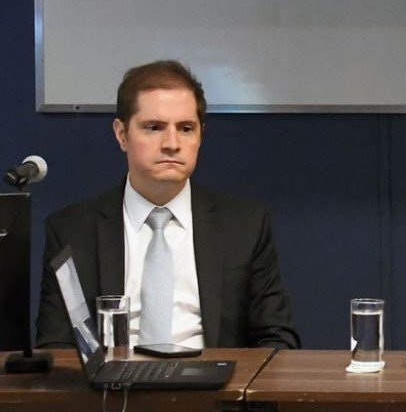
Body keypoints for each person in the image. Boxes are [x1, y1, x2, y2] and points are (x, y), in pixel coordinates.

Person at [35, 60, 300, 350]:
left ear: (200, 136)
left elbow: (276, 339)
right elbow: (56, 346)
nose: (172, 143)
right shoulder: (71, 230)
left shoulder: (245, 225)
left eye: (186, 128)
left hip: (214, 376)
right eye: (154, 127)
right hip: (114, 378)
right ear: (122, 134)